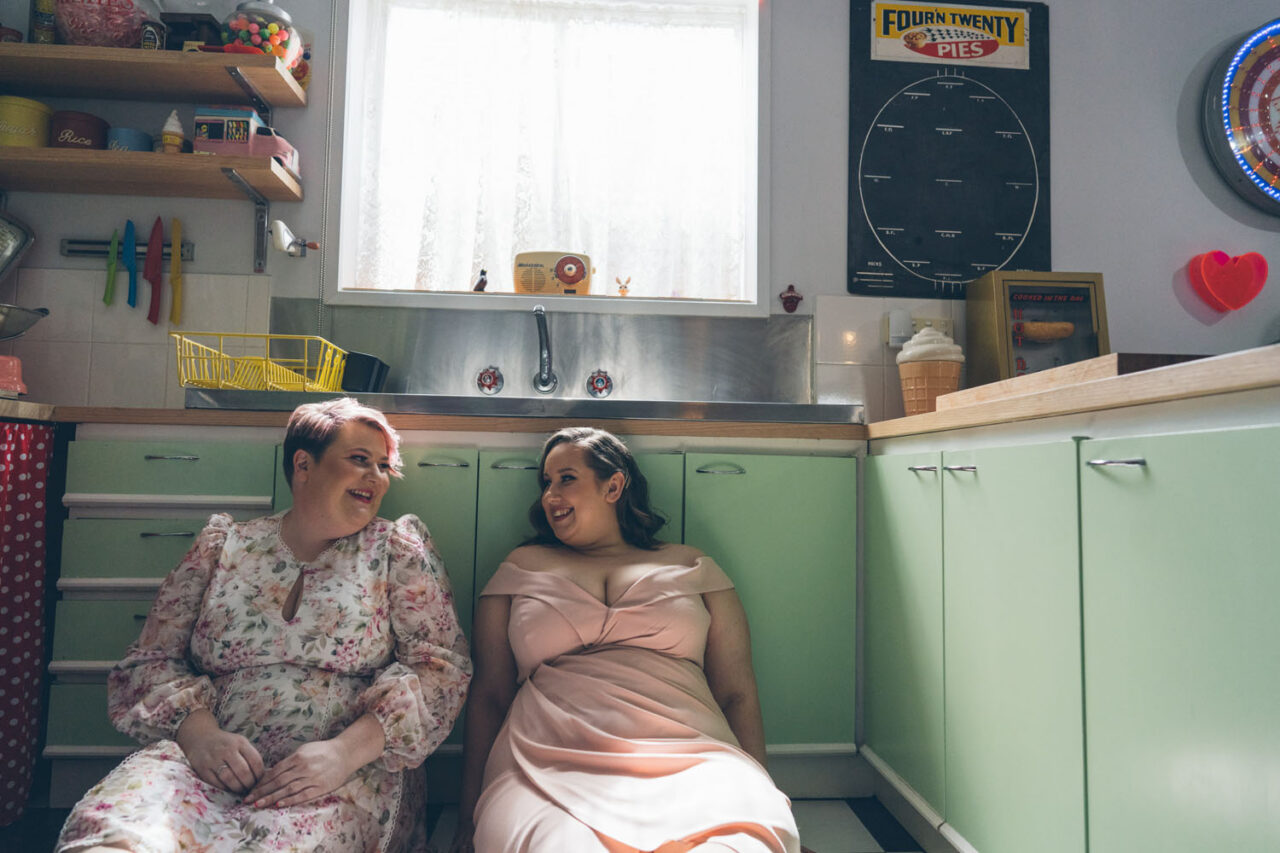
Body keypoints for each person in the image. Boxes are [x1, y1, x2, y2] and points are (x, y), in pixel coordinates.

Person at [56, 398, 472, 853]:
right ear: (303, 464)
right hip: (207, 758)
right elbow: (152, 659)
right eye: (359, 460)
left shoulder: (396, 549)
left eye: (383, 465)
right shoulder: (225, 545)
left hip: (341, 771)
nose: (377, 477)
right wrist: (200, 737)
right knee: (112, 833)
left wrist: (343, 753)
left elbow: (440, 672)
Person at [453, 427, 801, 852]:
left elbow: (737, 693)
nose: (550, 496)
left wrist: (757, 781)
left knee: (745, 842)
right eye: (546, 483)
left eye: (566, 478)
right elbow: (489, 695)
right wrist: (465, 819)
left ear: (613, 485)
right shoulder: (521, 567)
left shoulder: (691, 564)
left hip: (692, 755)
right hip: (548, 758)